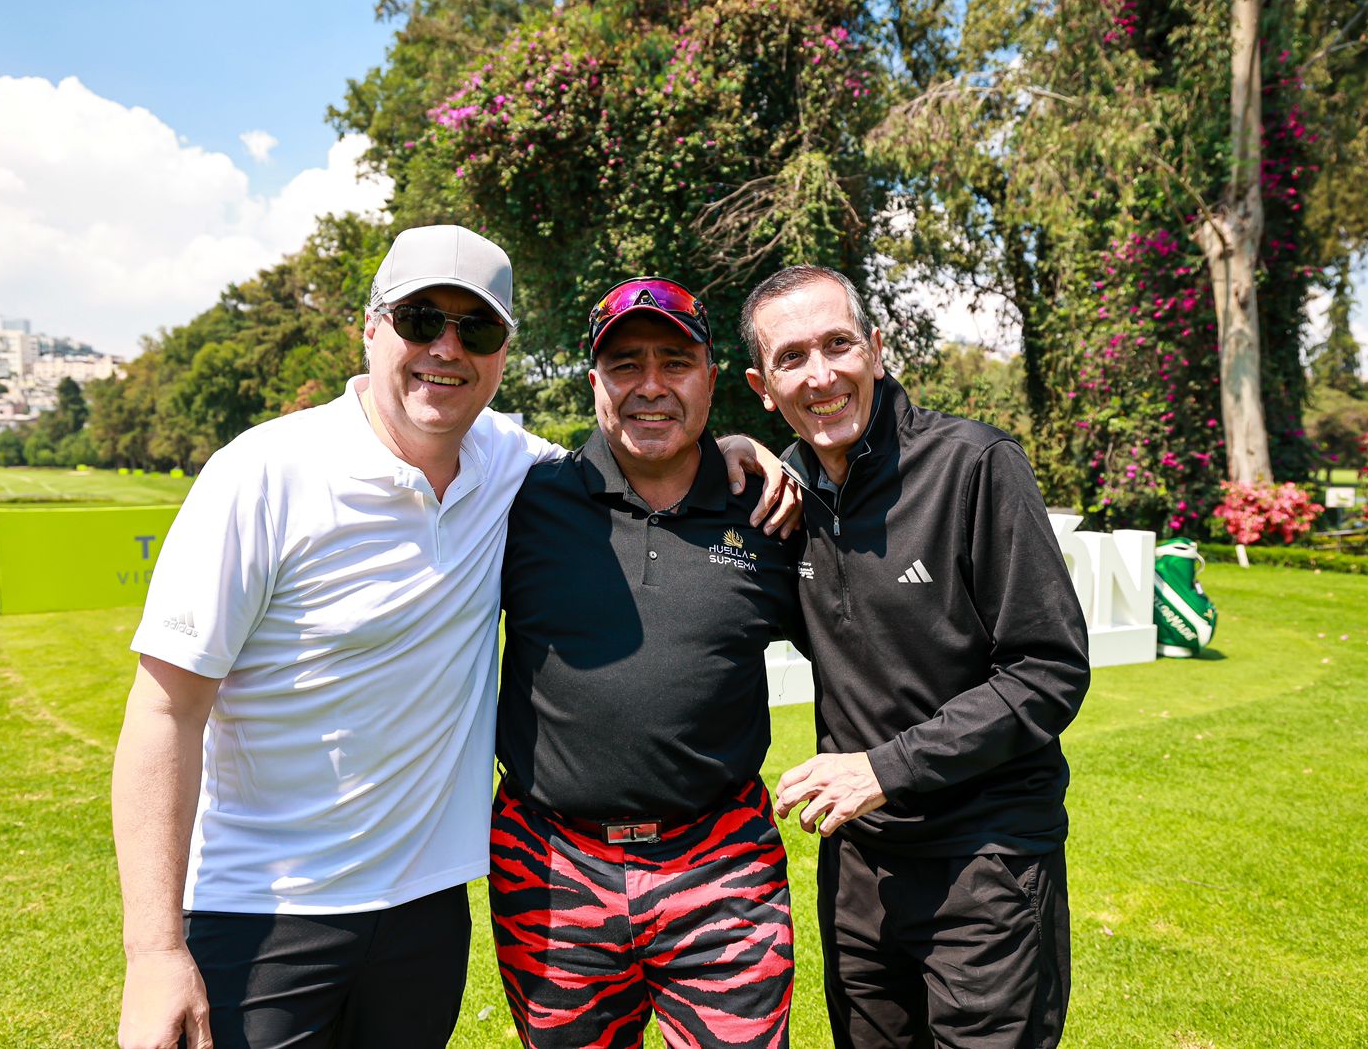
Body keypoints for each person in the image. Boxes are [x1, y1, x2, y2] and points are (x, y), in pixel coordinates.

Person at [112, 227, 796, 1049]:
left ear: (502, 351)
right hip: (266, 906)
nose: (446, 347)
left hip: (426, 908)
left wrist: (730, 450)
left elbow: (649, 454)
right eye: (419, 319)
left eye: (475, 329)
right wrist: (155, 951)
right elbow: (165, 710)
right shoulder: (264, 473)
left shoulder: (512, 468)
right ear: (371, 328)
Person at [739, 265, 1091, 1049]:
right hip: (860, 870)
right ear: (764, 387)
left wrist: (884, 769)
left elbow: (1049, 669)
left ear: (876, 348)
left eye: (838, 344)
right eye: (792, 358)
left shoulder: (975, 465)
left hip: (987, 860)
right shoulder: (785, 497)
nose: (821, 375)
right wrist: (726, 449)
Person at [490, 276, 806, 1048]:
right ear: (594, 381)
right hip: (552, 865)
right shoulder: (524, 502)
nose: (652, 386)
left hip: (722, 863)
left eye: (676, 362)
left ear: (712, 380)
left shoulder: (768, 510)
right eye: (626, 364)